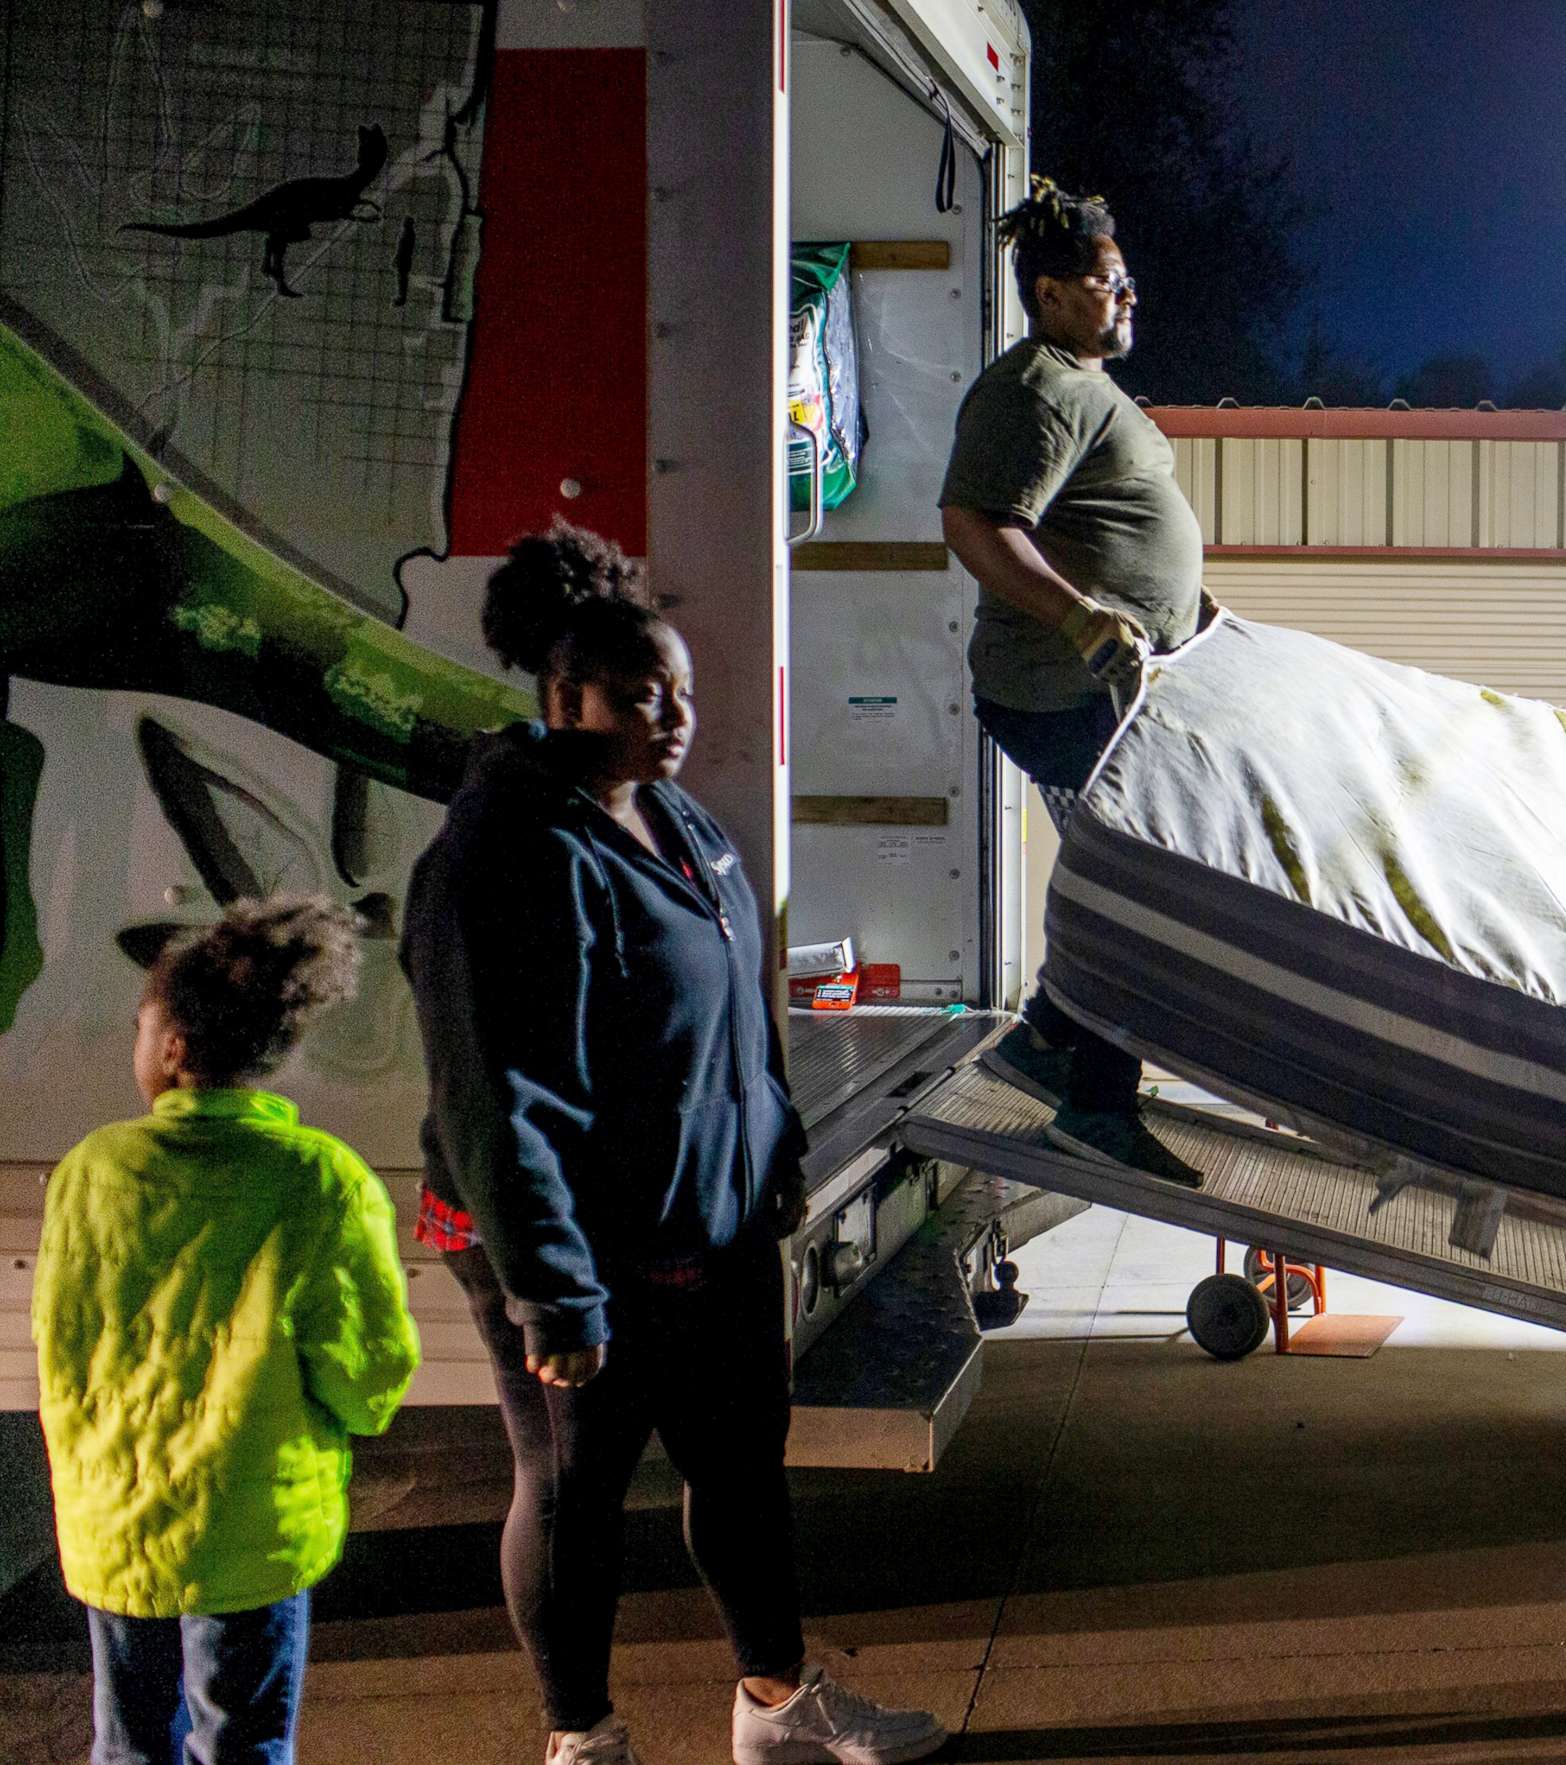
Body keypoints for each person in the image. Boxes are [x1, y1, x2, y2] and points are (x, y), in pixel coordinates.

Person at [399, 523, 945, 1765]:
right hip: (579, 1247)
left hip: (708, 1222)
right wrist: (553, 1291)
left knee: (742, 1470)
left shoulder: (679, 823)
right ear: (563, 697)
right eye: (647, 696)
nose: (675, 717)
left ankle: (776, 1708)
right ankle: (581, 1737)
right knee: (573, 1490)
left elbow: (733, 1013)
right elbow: (497, 1094)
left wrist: (777, 1150)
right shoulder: (505, 852)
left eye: (684, 694)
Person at [33, 896, 419, 1765]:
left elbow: (59, 1338)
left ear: (171, 1049)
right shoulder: (320, 1179)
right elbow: (369, 1371)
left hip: (115, 1516)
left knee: (128, 1740)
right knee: (242, 1741)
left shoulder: (91, 1170)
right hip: (252, 1529)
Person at [939, 176, 1207, 1188]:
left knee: (1138, 870)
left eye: (1125, 278)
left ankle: (1047, 1037)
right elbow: (977, 522)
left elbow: (1111, 524)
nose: (1126, 294)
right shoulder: (1034, 388)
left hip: (1105, 682)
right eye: (1106, 281)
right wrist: (1081, 614)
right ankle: (1096, 1103)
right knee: (1145, 879)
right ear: (1051, 294)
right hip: (1061, 684)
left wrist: (1191, 611)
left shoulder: (1082, 384)